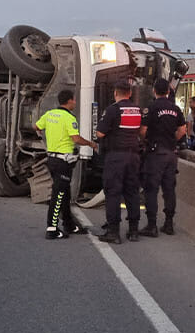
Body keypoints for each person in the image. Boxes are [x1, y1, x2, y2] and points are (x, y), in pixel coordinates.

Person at [34, 90, 98, 240]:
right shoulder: (69, 118)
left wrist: (49, 139)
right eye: (74, 100)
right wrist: (90, 143)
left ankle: (69, 224)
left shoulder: (49, 114)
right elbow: (75, 139)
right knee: (59, 194)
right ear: (69, 101)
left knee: (65, 193)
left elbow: (36, 127)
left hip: (52, 160)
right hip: (63, 161)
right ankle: (52, 228)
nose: (75, 102)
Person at [95, 80, 142, 244]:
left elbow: (100, 133)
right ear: (129, 93)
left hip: (116, 157)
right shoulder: (137, 110)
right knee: (132, 192)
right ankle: (134, 230)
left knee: (113, 192)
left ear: (116, 93)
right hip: (134, 157)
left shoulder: (113, 110)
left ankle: (113, 231)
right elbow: (142, 131)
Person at [139, 79, 186, 237]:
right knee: (169, 190)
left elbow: (143, 130)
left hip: (156, 153)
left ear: (154, 91)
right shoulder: (175, 109)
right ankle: (169, 224)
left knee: (151, 190)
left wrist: (147, 140)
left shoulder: (151, 108)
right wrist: (172, 139)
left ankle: (152, 225)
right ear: (168, 91)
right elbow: (182, 130)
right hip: (171, 154)